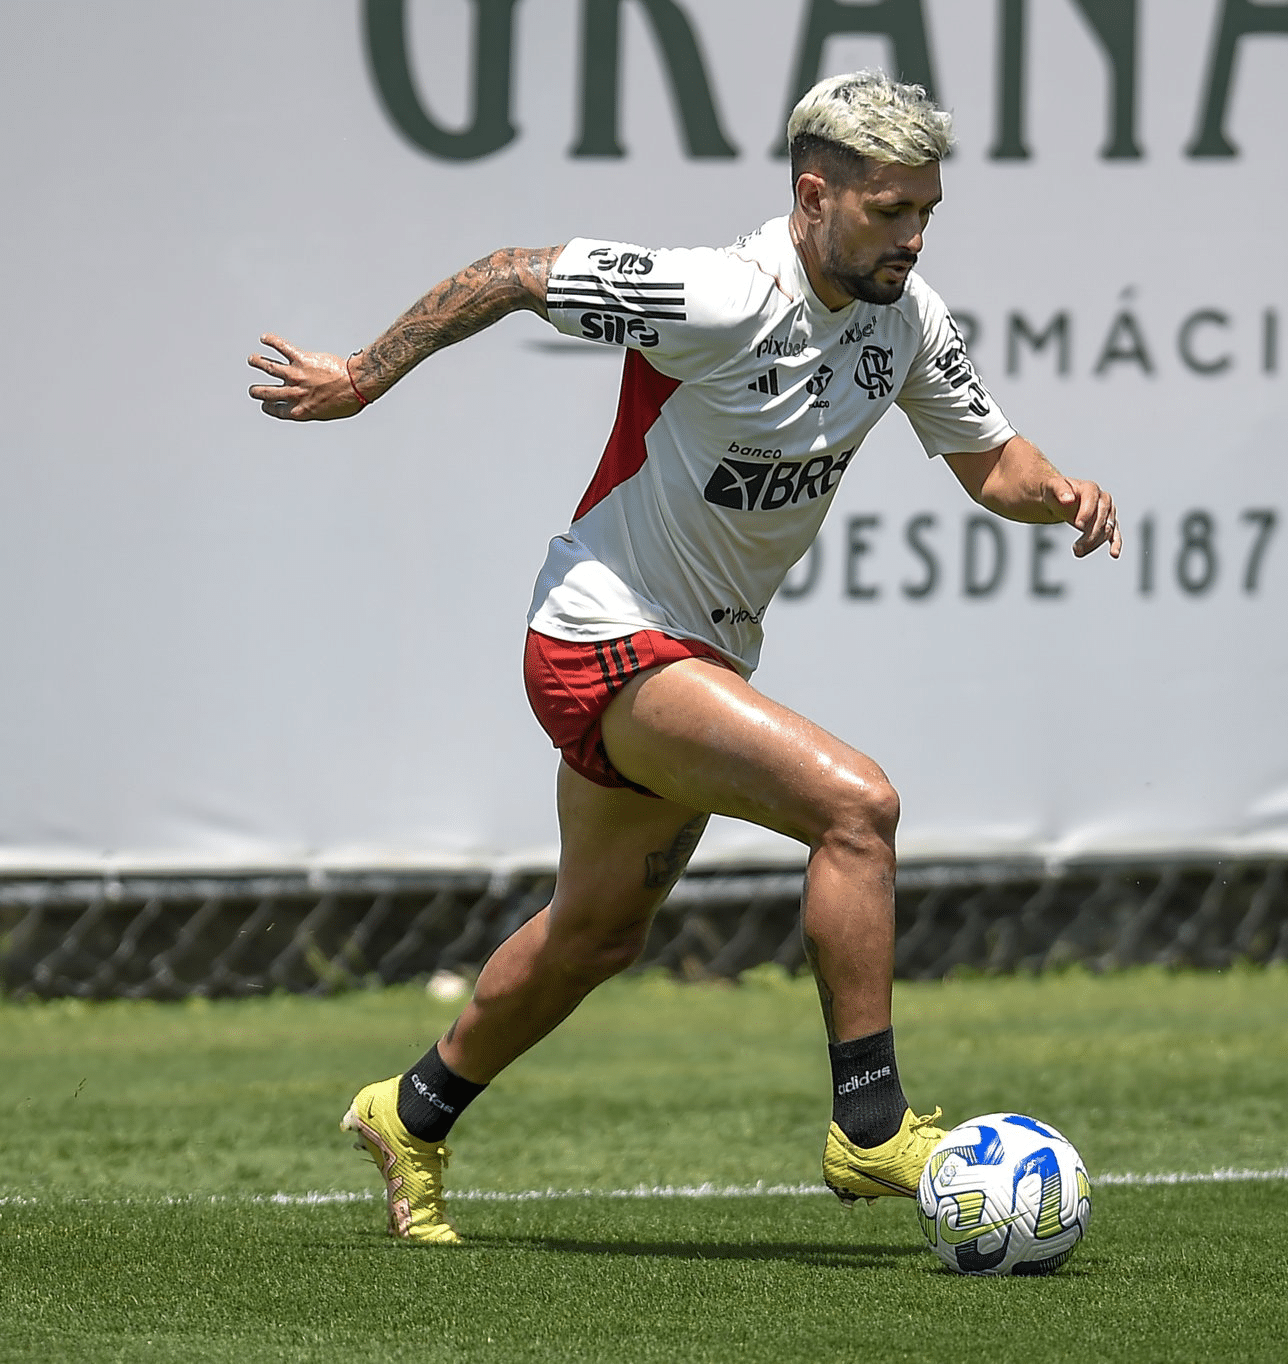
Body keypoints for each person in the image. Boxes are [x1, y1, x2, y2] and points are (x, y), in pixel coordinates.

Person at [245, 72, 1120, 1245]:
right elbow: (509, 274)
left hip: (696, 652)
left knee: (598, 932)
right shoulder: (721, 294)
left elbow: (990, 462)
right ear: (814, 196)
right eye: (889, 210)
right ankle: (869, 1126)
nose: (912, 235)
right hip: (603, 633)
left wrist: (1059, 493)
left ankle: (410, 1111)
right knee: (857, 807)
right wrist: (360, 375)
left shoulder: (903, 319)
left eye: (926, 212)